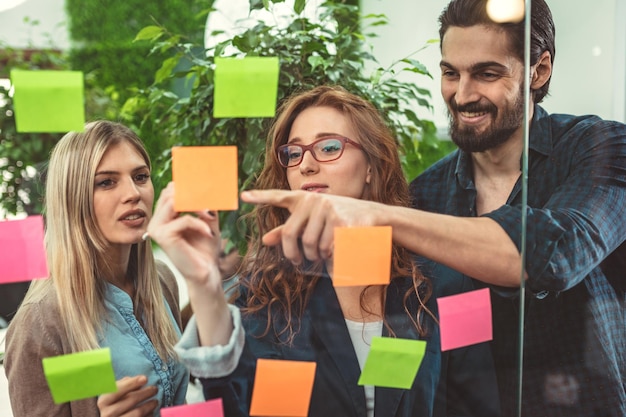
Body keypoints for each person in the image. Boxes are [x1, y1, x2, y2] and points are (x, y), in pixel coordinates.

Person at [239, 1, 626, 416]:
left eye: (487, 73)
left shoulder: (599, 148)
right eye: (450, 73)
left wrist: (374, 215)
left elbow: (558, 252)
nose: (462, 95)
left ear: (539, 70)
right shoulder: (426, 197)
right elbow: (403, 337)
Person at [148, 85, 500, 417]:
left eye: (329, 147)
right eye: (293, 153)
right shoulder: (264, 296)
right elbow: (230, 405)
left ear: (371, 168)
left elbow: (480, 405)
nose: (306, 165)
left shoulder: (451, 283)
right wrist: (204, 287)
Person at [4, 121, 189, 417]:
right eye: (106, 182)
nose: (133, 193)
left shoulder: (162, 279)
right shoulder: (41, 323)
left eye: (141, 177)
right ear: (73, 199)